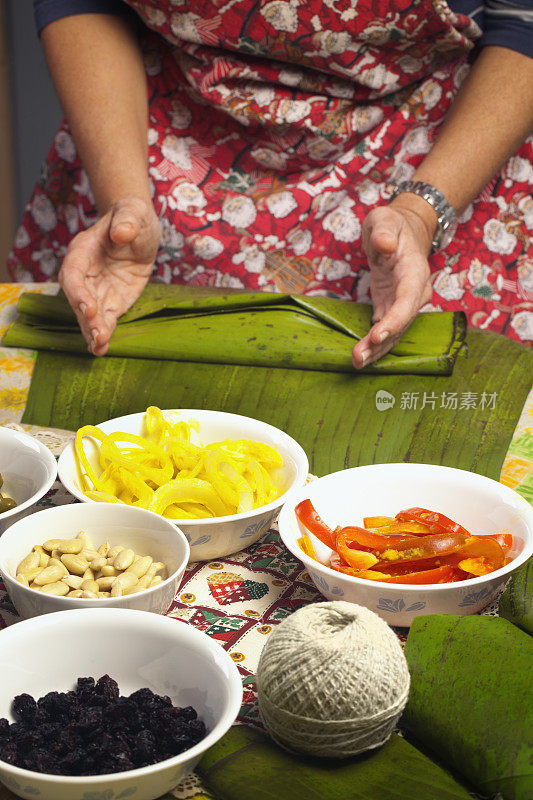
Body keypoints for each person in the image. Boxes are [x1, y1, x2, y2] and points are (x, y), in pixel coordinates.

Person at [7, 0, 533, 364]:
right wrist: (122, 199)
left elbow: (522, 20)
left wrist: (420, 217)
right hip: (151, 148)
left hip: (435, 153)